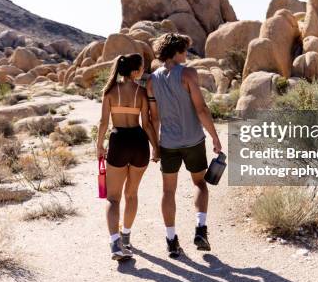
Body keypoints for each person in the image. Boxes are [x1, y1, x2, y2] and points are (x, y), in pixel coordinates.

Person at [146, 33, 223, 258]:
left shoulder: (152, 80)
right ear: (177, 51)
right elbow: (201, 109)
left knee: (168, 191)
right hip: (193, 141)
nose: (186, 55)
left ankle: (171, 240)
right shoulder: (188, 73)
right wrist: (215, 137)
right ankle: (200, 229)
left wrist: (155, 146)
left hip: (168, 143)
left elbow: (154, 117)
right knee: (200, 183)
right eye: (185, 51)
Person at [96, 53, 159, 261]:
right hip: (139, 143)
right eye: (141, 68)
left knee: (113, 198)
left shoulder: (109, 92)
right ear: (134, 71)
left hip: (119, 141)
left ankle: (115, 244)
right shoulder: (141, 92)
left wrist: (99, 146)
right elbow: (147, 124)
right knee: (131, 194)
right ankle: (126, 238)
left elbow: (104, 122)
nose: (143, 71)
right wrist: (156, 147)